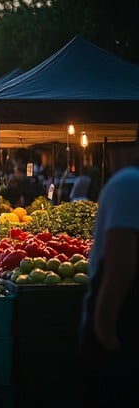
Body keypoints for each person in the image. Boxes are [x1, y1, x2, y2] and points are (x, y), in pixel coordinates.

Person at [77, 128, 139, 407]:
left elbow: (120, 264)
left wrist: (105, 330)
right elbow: (120, 264)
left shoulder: (126, 184)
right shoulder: (128, 184)